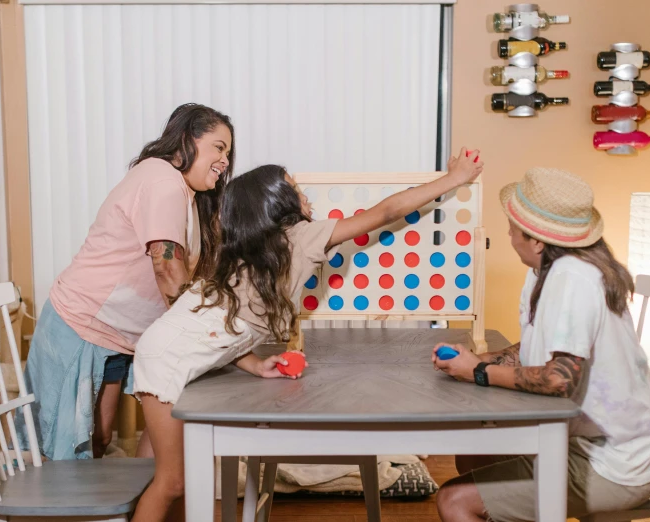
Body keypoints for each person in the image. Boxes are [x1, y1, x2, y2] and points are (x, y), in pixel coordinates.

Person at [129, 150, 484, 522]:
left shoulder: (253, 253)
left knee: (175, 479)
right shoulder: (298, 237)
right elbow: (384, 213)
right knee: (173, 482)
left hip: (169, 352)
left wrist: (253, 364)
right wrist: (453, 179)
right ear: (277, 202)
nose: (306, 197)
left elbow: (216, 328)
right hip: (166, 360)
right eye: (297, 190)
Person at [433, 167, 650, 522]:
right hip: (588, 444)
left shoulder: (572, 278)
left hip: (614, 465)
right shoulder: (552, 270)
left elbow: (559, 378)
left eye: (513, 226)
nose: (509, 233)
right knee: (473, 454)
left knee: (454, 501)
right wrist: (478, 360)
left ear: (537, 241)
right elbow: (537, 346)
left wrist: (479, 372)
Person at [16, 103, 235, 460]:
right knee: (64, 450)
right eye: (218, 147)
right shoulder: (163, 181)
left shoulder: (186, 195)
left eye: (229, 152)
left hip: (117, 335)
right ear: (186, 140)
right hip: (82, 325)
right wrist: (200, 331)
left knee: (99, 439)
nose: (225, 160)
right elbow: (167, 269)